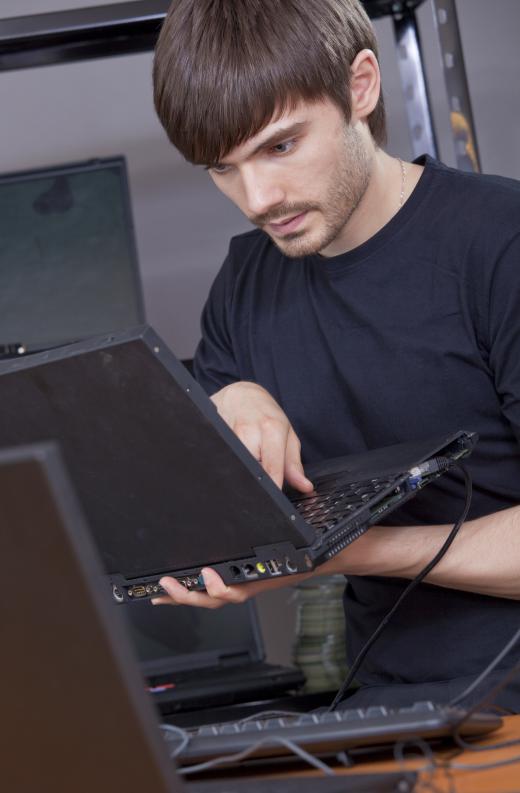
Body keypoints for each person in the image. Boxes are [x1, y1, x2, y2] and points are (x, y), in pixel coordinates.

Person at [151, 0, 520, 710]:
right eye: (222, 168)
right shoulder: (244, 288)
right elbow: (208, 523)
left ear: (361, 87)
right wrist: (228, 402)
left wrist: (348, 549)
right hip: (381, 712)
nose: (259, 198)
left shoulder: (499, 246)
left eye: (280, 146)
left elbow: (327, 546)